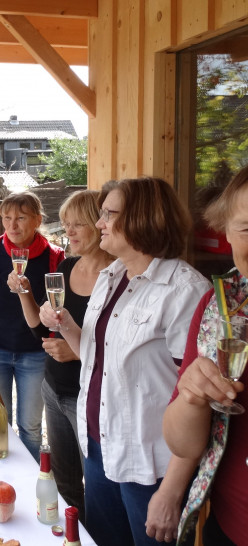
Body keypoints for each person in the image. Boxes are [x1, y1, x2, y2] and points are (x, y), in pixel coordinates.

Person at [40, 177, 211, 546]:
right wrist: (67, 324)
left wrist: (169, 493)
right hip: (101, 448)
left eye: (109, 214)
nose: (100, 223)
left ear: (143, 219)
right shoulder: (111, 276)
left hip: (151, 468)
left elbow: (200, 399)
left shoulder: (185, 291)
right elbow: (95, 358)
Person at [7, 190, 112, 518]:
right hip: (54, 390)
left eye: (78, 224)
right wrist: (24, 294)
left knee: (98, 488)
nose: (69, 231)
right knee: (66, 485)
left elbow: (121, 349)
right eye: (67, 224)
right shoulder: (66, 267)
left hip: (89, 400)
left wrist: (79, 352)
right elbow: (40, 328)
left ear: (99, 224)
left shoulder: (118, 277)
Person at [163, 164, 248, 546]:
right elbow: (182, 443)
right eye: (247, 227)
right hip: (230, 527)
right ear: (226, 233)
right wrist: (193, 396)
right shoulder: (218, 309)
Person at [0, 191, 65, 461]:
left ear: (37, 220)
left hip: (35, 354)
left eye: (20, 218)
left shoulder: (55, 256)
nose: (12, 225)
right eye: (6, 218)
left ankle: (30, 484)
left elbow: (59, 307)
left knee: (29, 427)